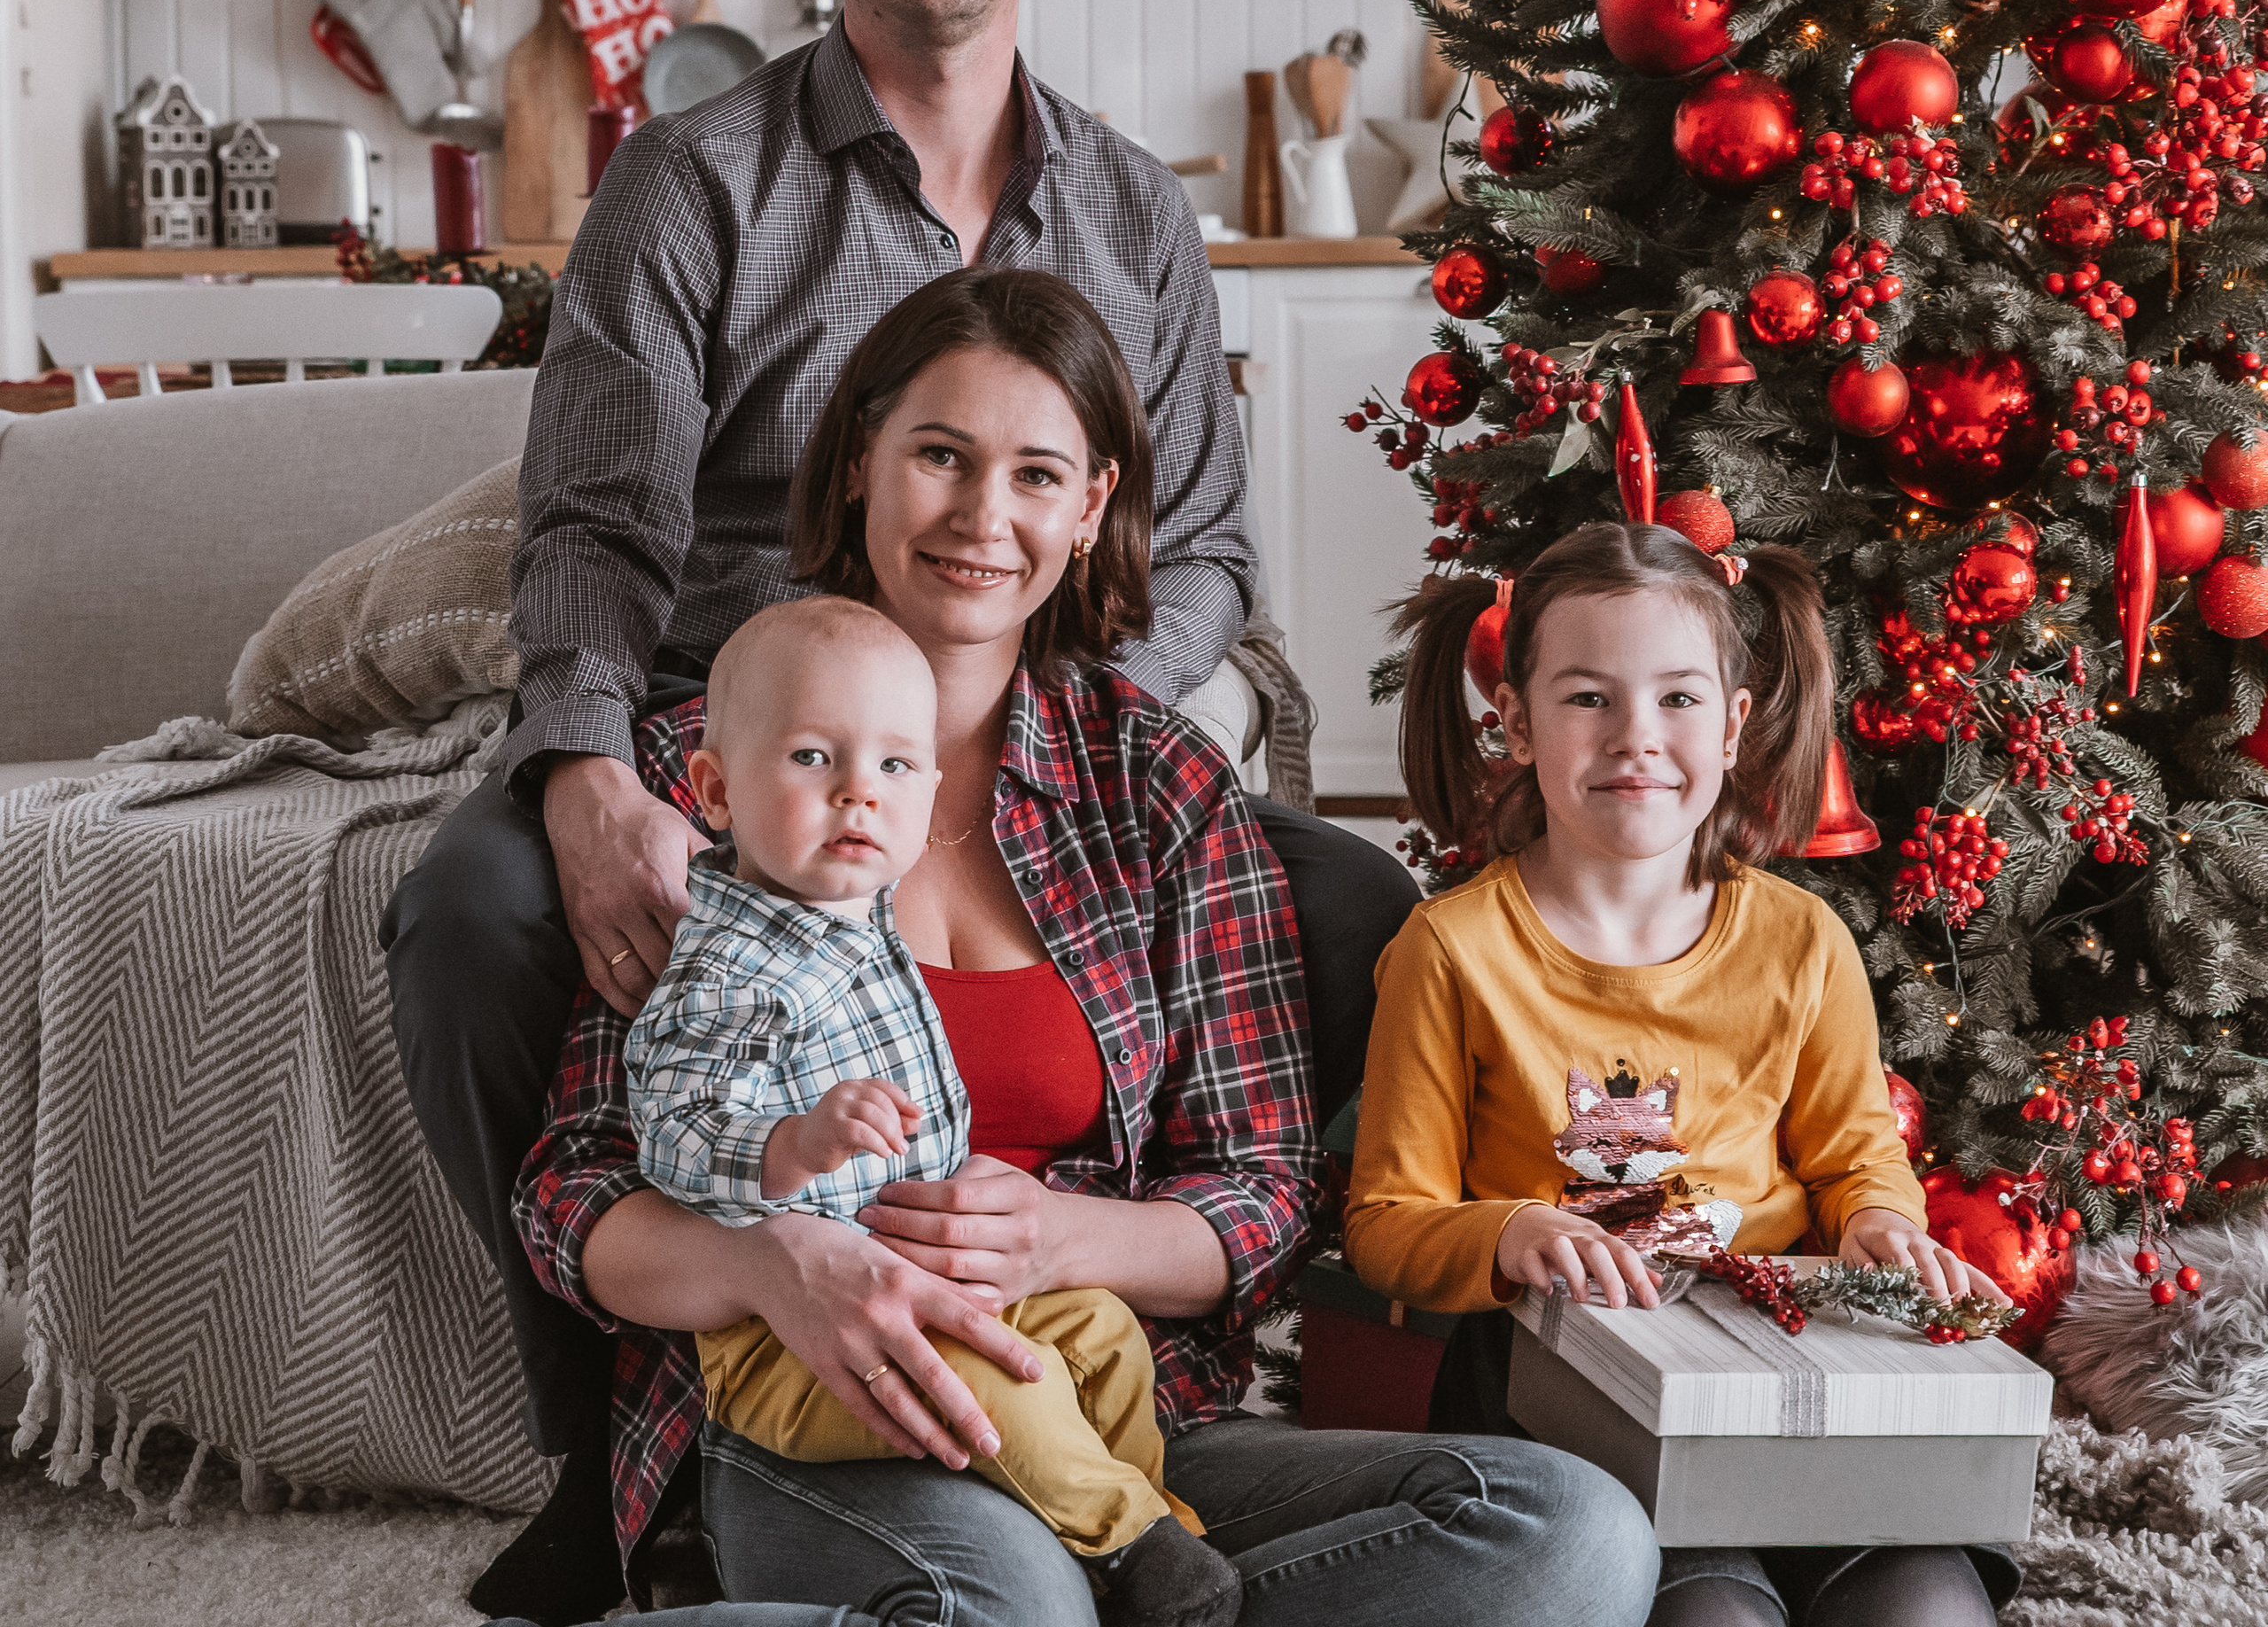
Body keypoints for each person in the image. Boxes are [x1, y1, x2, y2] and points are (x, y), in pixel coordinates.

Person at [377, 0, 1416, 1617]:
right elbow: (594, 530)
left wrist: (1074, 738)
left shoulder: (1135, 210)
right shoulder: (691, 183)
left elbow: (1204, 549)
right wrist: (589, 776)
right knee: (470, 910)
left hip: (1048, 710)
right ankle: (612, 1434)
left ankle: (1168, 1367)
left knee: (1359, 903)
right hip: (741, 723)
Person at [515, 269, 1663, 1627]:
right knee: (1029, 1608)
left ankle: (1110, 1585)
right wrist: (773, 1261)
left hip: (1118, 1414)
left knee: (1571, 1537)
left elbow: (1266, 1197)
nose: (982, 516)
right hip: (830, 1406)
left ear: (1091, 508)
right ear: (860, 465)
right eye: (940, 456)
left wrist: (1066, 1239)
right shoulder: (701, 781)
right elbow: (573, 1188)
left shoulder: (1158, 785)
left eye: (1037, 475)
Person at [1344, 522, 2020, 1627]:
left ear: (1733, 722)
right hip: (1567, 1395)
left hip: (1780, 1367)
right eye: (1586, 697)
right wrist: (1510, 1232)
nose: (1636, 737)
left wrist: (1879, 1223)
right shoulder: (1451, 951)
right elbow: (1383, 1224)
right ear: (1515, 719)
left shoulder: (1802, 940)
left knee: (1927, 1608)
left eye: (1677, 698)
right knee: (1713, 1616)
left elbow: (1856, 1157)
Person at [625, 595, 1240, 1626]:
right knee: (999, 1381)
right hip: (791, 1345)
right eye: (813, 758)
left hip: (937, 1284)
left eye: (895, 767)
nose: (858, 793)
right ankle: (1128, 1538)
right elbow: (674, 1134)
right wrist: (791, 1144)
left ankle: (1147, 1526)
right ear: (716, 791)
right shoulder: (729, 969)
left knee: (1099, 1331)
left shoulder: (857, 917)